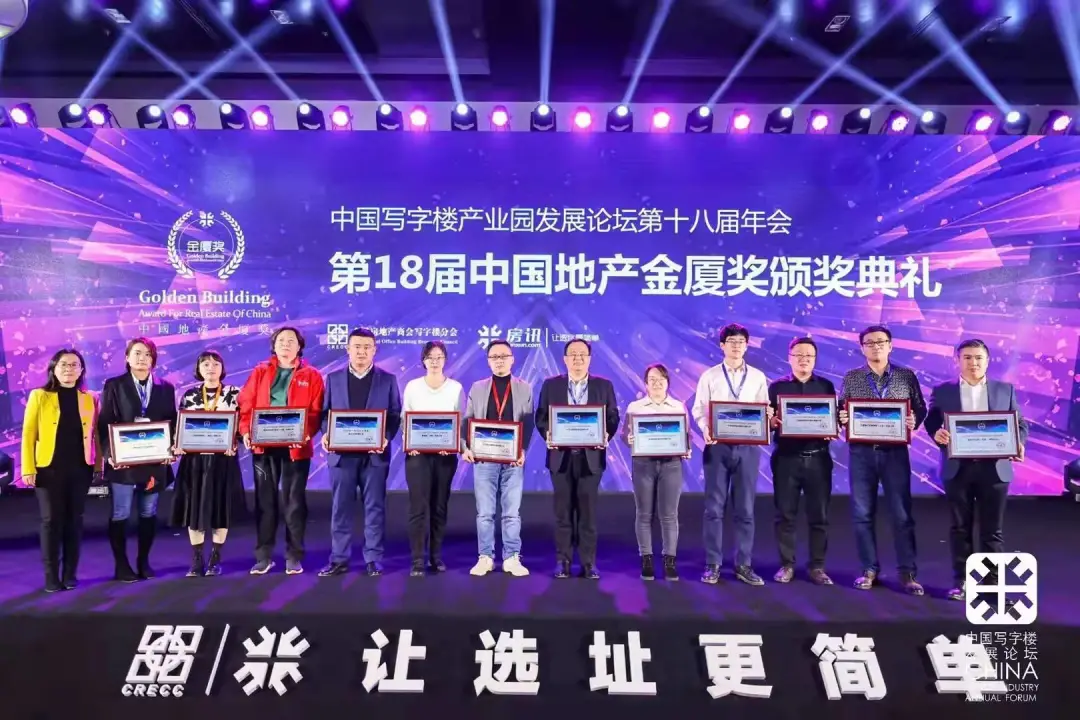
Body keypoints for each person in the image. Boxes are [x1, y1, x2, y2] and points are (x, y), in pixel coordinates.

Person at [924, 339, 1028, 601]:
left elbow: (1020, 424)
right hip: (958, 469)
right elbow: (932, 420)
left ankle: (992, 587)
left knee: (992, 531)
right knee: (960, 528)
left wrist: (1019, 442)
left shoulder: (1005, 389)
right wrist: (936, 433)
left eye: (979, 357)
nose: (973, 363)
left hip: (995, 470)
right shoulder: (943, 391)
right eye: (967, 357)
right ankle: (962, 582)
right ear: (957, 360)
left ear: (988, 360)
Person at [837, 324, 927, 595]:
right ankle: (869, 569)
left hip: (894, 453)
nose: (875, 346)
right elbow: (842, 409)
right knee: (862, 514)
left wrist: (914, 420)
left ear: (890, 345)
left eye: (880, 342)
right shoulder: (852, 377)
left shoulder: (906, 376)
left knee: (901, 514)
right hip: (861, 454)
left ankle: (907, 573)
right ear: (862, 347)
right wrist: (841, 417)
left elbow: (920, 407)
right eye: (870, 343)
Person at [238, 327, 324, 576]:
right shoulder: (260, 371)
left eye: (291, 341)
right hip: (263, 448)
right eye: (281, 340)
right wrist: (246, 431)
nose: (286, 344)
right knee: (265, 501)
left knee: (294, 503)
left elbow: (316, 411)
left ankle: (294, 555)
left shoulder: (312, 375)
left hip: (295, 449)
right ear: (274, 346)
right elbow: (246, 404)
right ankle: (263, 556)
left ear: (300, 346)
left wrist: (306, 433)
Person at [691, 323, 771, 586]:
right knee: (714, 508)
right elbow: (699, 409)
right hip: (718, 447)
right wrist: (705, 429)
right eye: (731, 342)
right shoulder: (710, 376)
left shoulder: (758, 377)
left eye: (741, 342)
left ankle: (743, 565)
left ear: (747, 346)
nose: (736, 346)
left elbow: (763, 408)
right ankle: (712, 564)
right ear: (722, 345)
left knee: (745, 509)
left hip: (748, 448)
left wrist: (767, 415)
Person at [318, 328, 401, 578]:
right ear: (348, 349)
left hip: (374, 455)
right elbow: (325, 413)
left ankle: (373, 559)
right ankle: (339, 559)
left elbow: (395, 414)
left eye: (367, 347)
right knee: (340, 508)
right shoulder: (333, 379)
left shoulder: (388, 380)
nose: (362, 351)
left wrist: (386, 437)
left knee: (375, 507)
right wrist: (326, 433)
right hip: (342, 455)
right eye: (357, 346)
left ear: (374, 350)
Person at [534, 338, 620, 580]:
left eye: (582, 354)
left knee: (587, 514)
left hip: (590, 458)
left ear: (589, 359)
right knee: (563, 514)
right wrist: (548, 434)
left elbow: (613, 417)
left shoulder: (604, 386)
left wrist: (605, 434)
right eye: (573, 354)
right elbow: (541, 416)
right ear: (565, 359)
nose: (578, 358)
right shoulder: (551, 385)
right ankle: (563, 562)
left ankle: (588, 563)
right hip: (560, 458)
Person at [97, 337, 178, 582]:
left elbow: (172, 422)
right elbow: (104, 422)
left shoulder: (165, 387)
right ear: (127, 357)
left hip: (154, 461)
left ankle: (143, 561)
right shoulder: (114, 385)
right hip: (123, 461)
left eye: (147, 354)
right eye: (137, 353)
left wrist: (172, 448)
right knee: (120, 511)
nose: (142, 358)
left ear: (154, 359)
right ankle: (121, 565)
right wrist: (109, 454)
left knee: (148, 510)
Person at [20, 349, 100, 592]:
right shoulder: (39, 396)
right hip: (48, 470)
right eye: (64, 364)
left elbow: (95, 434)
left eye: (74, 365)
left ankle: (70, 574)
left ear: (82, 370)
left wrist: (98, 465)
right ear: (53, 369)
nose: (69, 369)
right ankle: (51, 576)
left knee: (74, 521)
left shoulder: (90, 398)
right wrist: (27, 468)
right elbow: (28, 434)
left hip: (80, 469)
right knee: (51, 520)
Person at [767, 337, 836, 585]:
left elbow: (833, 418)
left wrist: (834, 426)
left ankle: (817, 567)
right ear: (789, 357)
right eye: (799, 355)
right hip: (786, 458)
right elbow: (767, 421)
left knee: (820, 516)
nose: (804, 359)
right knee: (785, 515)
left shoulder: (826, 386)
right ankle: (787, 565)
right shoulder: (776, 387)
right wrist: (770, 422)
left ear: (815, 359)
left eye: (809, 355)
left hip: (818, 458)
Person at [462, 339, 533, 577]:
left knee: (512, 512)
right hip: (484, 459)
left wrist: (522, 451)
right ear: (488, 361)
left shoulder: (524, 388)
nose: (499, 360)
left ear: (512, 359)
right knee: (485, 512)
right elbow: (467, 419)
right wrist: (466, 447)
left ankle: (512, 557)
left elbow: (528, 423)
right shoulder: (477, 388)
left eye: (503, 356)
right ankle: (485, 557)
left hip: (513, 460)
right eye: (494, 357)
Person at [170, 350, 244, 577]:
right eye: (205, 364)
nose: (211, 368)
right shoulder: (189, 395)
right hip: (195, 462)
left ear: (222, 368)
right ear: (198, 369)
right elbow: (180, 427)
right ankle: (196, 559)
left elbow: (242, 425)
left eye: (215, 364)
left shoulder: (234, 393)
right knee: (195, 510)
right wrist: (178, 444)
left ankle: (215, 558)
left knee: (221, 508)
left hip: (223, 460)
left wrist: (236, 442)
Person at [401, 340, 464, 576]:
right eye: (430, 357)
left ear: (445, 360)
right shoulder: (412, 387)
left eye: (439, 357)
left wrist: (454, 444)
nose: (435, 361)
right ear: (423, 360)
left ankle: (436, 557)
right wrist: (409, 443)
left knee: (439, 506)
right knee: (418, 508)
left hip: (445, 457)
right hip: (417, 456)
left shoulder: (456, 388)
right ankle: (417, 559)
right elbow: (405, 419)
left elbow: (461, 421)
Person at [622, 363, 689, 581]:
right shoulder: (635, 407)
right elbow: (624, 435)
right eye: (652, 379)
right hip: (643, 464)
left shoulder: (678, 407)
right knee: (644, 513)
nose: (657, 383)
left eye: (661, 379)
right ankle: (647, 559)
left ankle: (670, 561)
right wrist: (629, 439)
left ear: (668, 382)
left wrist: (686, 447)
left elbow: (685, 436)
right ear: (645, 383)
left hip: (671, 465)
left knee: (669, 515)